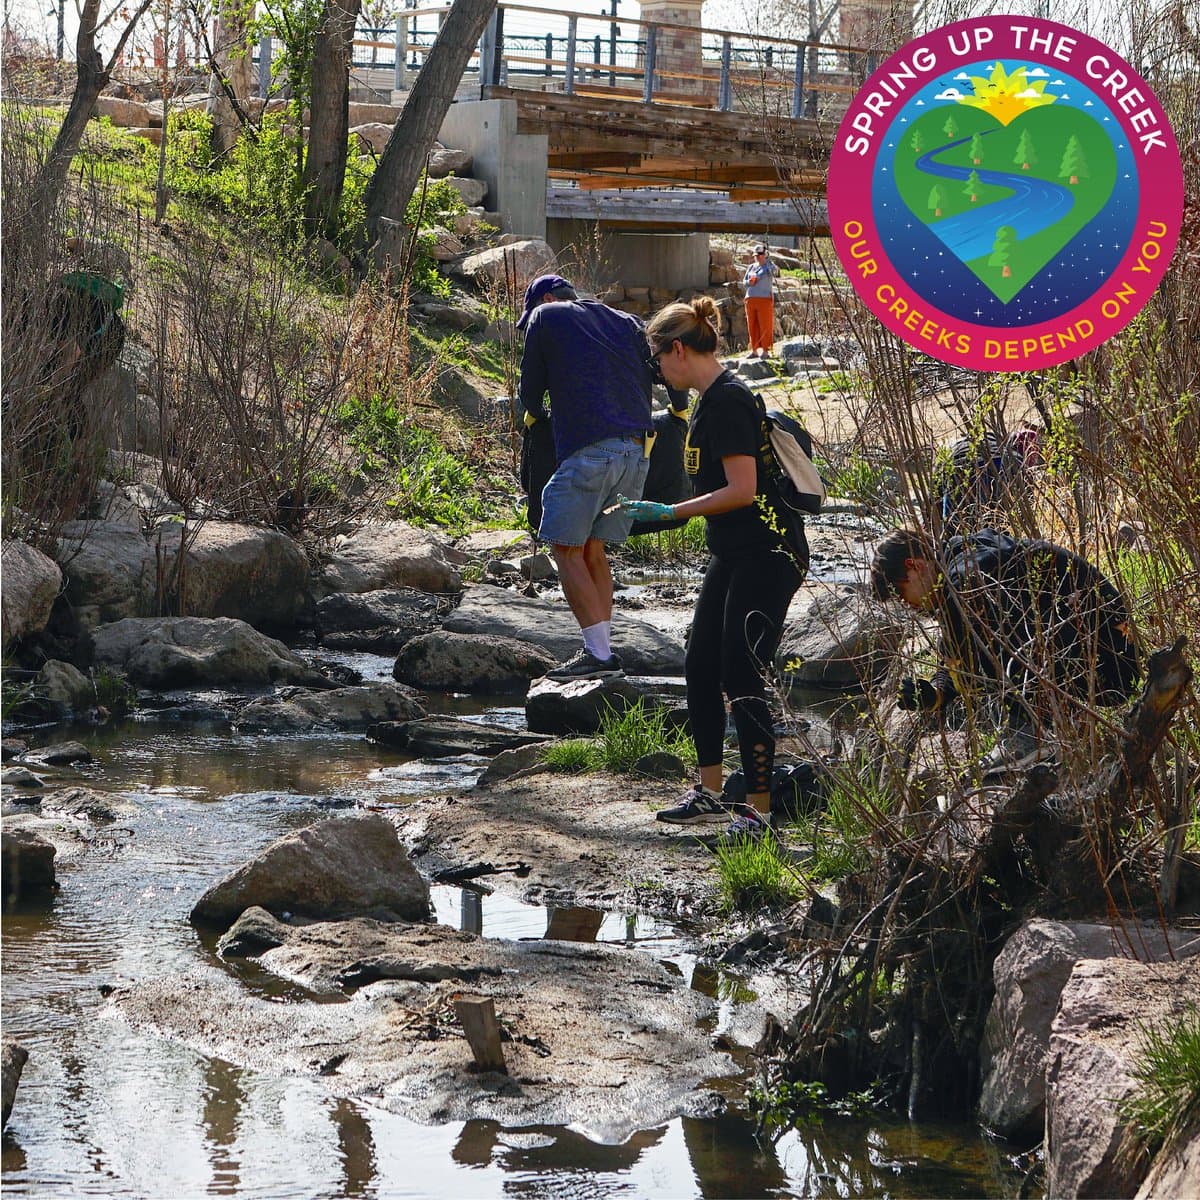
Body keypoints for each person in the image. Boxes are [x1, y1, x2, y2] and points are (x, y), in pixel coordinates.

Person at [620, 297, 810, 840]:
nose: (657, 371)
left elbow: (743, 489)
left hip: (769, 555)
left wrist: (671, 513)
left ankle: (758, 811)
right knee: (700, 663)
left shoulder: (727, 401)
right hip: (734, 552)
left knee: (742, 676)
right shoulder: (707, 400)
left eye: (657, 360)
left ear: (678, 349)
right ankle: (707, 791)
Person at [870, 527, 1139, 772]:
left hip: (1111, 668)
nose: (909, 606)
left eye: (901, 595)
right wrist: (936, 693)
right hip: (1102, 654)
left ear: (913, 566)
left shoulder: (967, 577)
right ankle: (1039, 724)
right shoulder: (961, 558)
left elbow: (999, 643)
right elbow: (957, 647)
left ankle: (1031, 731)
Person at [518, 273, 656, 681]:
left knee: (565, 549)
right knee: (594, 549)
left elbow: (531, 389)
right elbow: (657, 371)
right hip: (636, 453)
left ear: (544, 298)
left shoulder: (546, 315)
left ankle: (597, 655)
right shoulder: (625, 321)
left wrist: (535, 415)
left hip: (590, 454)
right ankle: (602, 650)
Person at [742, 243, 779, 359]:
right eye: (756, 255)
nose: (757, 257)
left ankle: (765, 351)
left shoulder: (769, 267)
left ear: (765, 255)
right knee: (752, 325)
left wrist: (768, 262)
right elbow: (744, 282)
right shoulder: (751, 267)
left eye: (760, 255)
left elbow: (776, 272)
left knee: (765, 325)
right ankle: (754, 350)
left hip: (764, 300)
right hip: (750, 299)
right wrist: (750, 282)